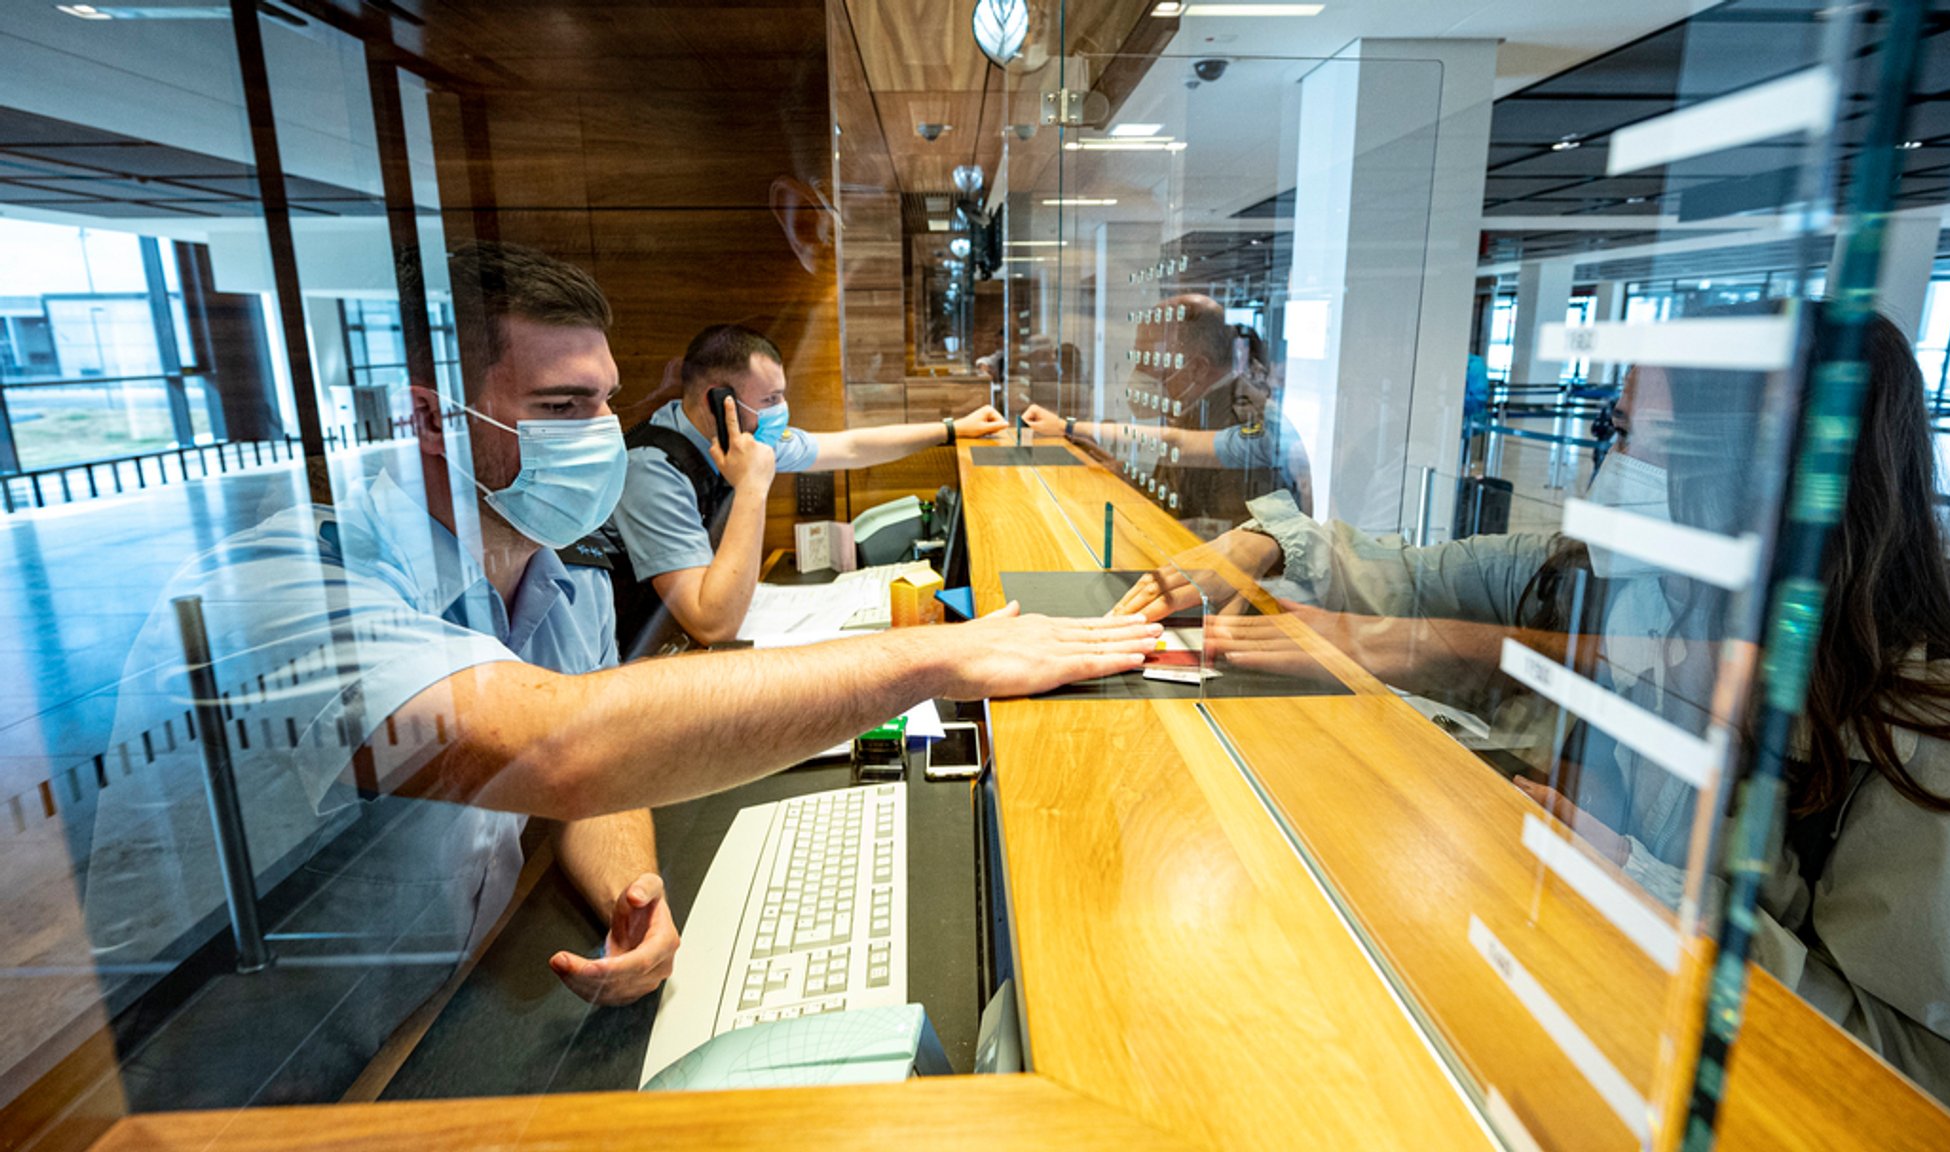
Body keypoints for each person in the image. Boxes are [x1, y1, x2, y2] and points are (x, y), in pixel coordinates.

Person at [82, 242, 1158, 1110]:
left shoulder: (553, 570)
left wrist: (627, 892)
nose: (600, 433)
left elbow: (598, 783)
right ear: (429, 420)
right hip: (250, 1096)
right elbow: (560, 743)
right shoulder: (275, 587)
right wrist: (935, 654)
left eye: (603, 401)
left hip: (440, 1018)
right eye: (559, 409)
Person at [1112, 309, 1950, 1137]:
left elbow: (1936, 1096)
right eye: (1613, 428)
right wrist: (1265, 541)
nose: (1611, 467)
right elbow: (1408, 569)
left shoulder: (1946, 745)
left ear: (1761, 479)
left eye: (1644, 444)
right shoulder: (1629, 589)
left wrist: (1644, 891)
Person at [611, 324, 1008, 646]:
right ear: (721, 401)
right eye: (770, 399)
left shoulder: (742, 442)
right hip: (635, 659)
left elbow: (850, 448)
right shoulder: (652, 471)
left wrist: (951, 429)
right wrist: (753, 486)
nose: (780, 411)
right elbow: (712, 625)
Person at [1018, 294, 1311, 534]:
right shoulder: (1200, 408)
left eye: (1150, 362)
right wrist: (1119, 473)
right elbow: (1178, 495)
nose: (1139, 374)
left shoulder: (1238, 421)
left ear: (1197, 368)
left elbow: (1228, 543)